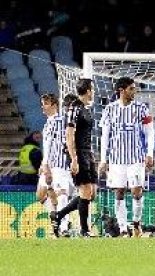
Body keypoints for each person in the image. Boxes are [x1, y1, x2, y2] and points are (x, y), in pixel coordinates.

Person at [98, 77, 155, 237]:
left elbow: (150, 132)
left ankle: (136, 223)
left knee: (137, 192)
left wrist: (149, 154)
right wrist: (103, 159)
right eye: (131, 89)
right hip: (116, 160)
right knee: (119, 193)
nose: (134, 91)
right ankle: (123, 229)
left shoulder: (141, 108)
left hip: (136, 158)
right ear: (121, 90)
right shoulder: (109, 109)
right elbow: (105, 136)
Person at [50, 78, 97, 238]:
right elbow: (69, 134)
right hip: (78, 153)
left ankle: (59, 215)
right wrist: (74, 158)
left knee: (90, 193)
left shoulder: (85, 108)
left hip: (87, 153)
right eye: (93, 89)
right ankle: (85, 231)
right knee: (84, 191)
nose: (94, 92)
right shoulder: (74, 107)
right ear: (88, 90)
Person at [38, 93, 75, 237]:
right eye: (42, 103)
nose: (43, 106)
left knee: (61, 194)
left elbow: (69, 140)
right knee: (41, 195)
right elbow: (47, 146)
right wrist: (44, 163)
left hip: (60, 165)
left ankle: (64, 227)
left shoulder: (62, 121)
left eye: (46, 103)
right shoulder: (47, 124)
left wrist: (73, 159)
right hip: (49, 164)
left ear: (54, 105)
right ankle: (58, 217)